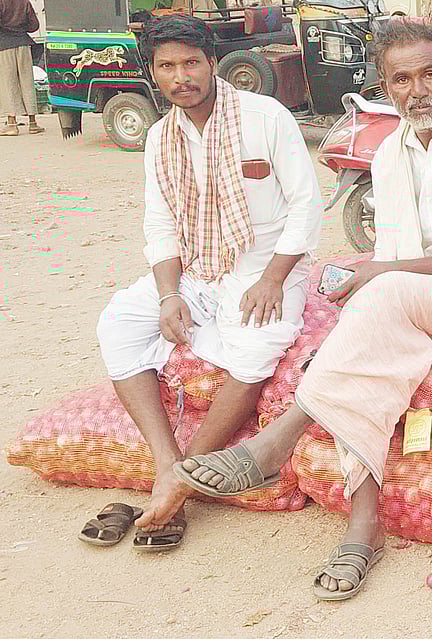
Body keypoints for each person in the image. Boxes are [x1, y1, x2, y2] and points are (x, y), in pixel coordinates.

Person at [172, 18, 432, 601]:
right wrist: (370, 284)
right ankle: (363, 526)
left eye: (430, 73)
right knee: (370, 352)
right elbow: (395, 251)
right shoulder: (390, 153)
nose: (418, 89)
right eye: (403, 79)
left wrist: (380, 278)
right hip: (421, 298)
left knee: (381, 293)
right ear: (385, 86)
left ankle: (278, 440)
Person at [93, 15, 322, 550]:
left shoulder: (264, 117)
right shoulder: (158, 138)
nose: (181, 76)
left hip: (265, 266)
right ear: (153, 74)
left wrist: (271, 280)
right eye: (167, 66)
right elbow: (160, 224)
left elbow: (306, 207)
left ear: (213, 64)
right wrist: (170, 294)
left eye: (191, 62)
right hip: (198, 270)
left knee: (257, 348)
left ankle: (184, 479)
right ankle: (169, 464)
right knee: (120, 322)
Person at [0, 0, 42, 136]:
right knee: (27, 82)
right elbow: (34, 25)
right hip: (24, 44)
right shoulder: (24, 2)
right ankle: (33, 123)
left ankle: (12, 124)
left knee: (8, 84)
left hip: (4, 45)